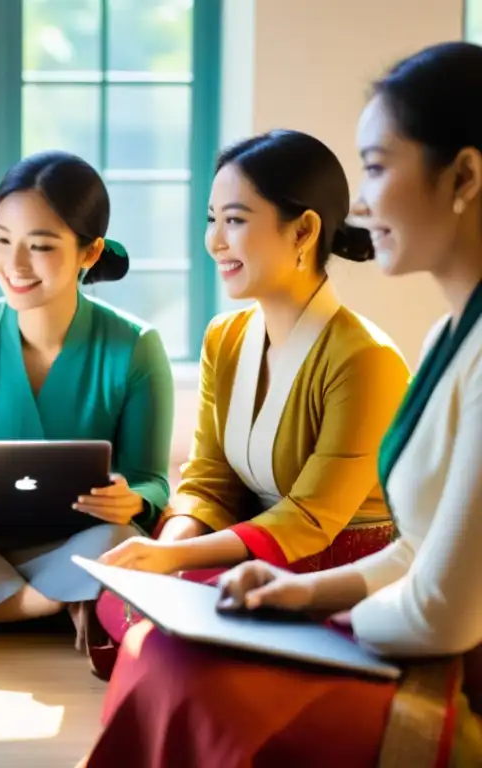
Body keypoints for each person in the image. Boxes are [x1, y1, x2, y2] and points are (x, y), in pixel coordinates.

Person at [83, 41, 482, 767]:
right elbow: (420, 553)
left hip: (403, 620)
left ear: (463, 176)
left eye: (377, 167)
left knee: (175, 656)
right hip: (347, 587)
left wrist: (314, 610)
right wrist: (273, 591)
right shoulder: (445, 339)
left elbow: (434, 603)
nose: (357, 204)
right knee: (156, 626)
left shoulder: (371, 357)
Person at [93, 129, 410, 651]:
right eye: (211, 220)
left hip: (339, 563)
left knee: (165, 631)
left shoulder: (366, 359)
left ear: (304, 230)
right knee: (127, 597)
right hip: (254, 547)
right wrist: (167, 549)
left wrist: (175, 562)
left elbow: (311, 518)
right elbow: (210, 480)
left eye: (235, 220)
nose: (215, 240)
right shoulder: (226, 336)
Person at [0, 150, 175, 649]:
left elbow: (153, 482)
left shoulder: (135, 346)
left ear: (89, 254)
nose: (14, 264)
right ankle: (50, 605)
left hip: (80, 543)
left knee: (122, 543)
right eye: (1, 239)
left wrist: (132, 497)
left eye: (41, 246)